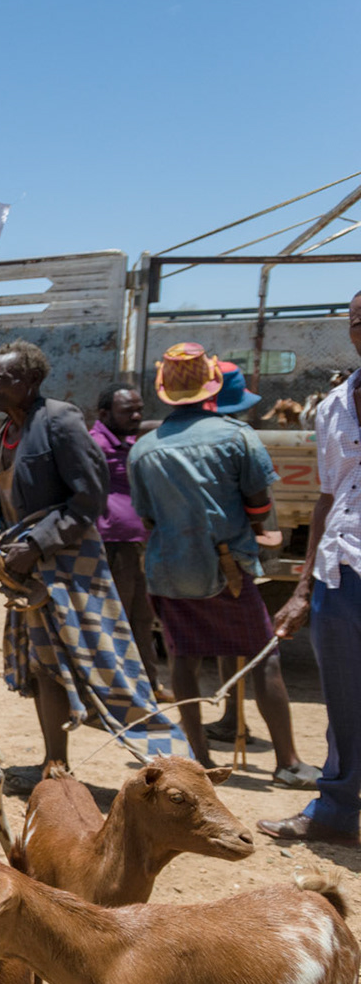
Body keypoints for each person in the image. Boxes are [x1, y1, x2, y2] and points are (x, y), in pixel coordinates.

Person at [0, 340, 181, 765]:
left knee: (106, 664)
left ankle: (174, 767)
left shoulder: (59, 420)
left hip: (69, 566)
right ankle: (54, 764)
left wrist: (36, 544)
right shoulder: (7, 432)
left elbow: (88, 500)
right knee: (46, 667)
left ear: (29, 382)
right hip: (29, 572)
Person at [128, 343, 315, 785]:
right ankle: (287, 762)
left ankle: (199, 759)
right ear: (210, 386)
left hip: (169, 572)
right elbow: (257, 501)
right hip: (227, 570)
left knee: (183, 662)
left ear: (163, 391)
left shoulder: (144, 449)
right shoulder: (238, 437)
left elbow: (148, 516)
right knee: (262, 657)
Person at [267, 290, 361, 844]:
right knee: (345, 700)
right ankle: (335, 813)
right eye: (357, 323)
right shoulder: (333, 407)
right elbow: (327, 497)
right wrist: (302, 589)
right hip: (340, 570)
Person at [90, 383, 162, 697]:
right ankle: (114, 691)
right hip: (111, 544)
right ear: (104, 414)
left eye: (139, 410)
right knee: (114, 618)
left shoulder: (127, 438)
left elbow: (148, 426)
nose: (135, 416)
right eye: (127, 411)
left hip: (137, 544)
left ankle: (148, 684)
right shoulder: (95, 445)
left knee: (142, 618)